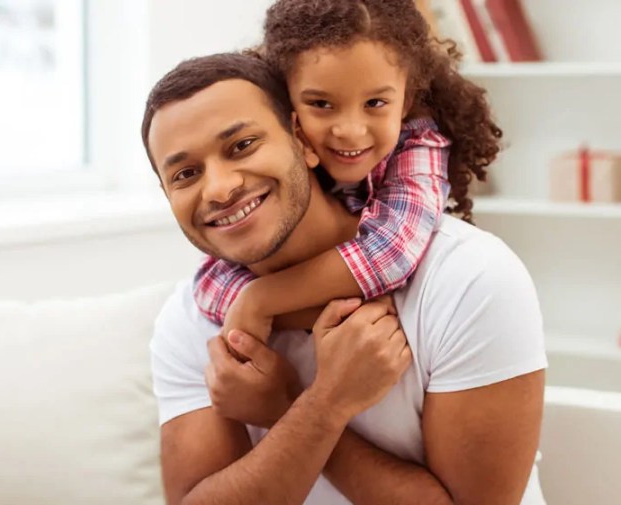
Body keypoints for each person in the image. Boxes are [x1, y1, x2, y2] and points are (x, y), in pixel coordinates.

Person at [142, 52, 547, 504]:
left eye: (242, 146)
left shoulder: (468, 278)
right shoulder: (191, 319)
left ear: (302, 140)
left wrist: (290, 406)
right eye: (185, 174)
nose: (218, 188)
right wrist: (321, 406)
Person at [192, 0, 502, 346]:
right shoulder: (273, 165)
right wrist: (303, 312)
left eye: (375, 104)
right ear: (284, 102)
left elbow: (391, 252)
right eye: (321, 104)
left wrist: (261, 300)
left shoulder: (418, 141)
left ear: (407, 99)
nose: (351, 131)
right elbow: (210, 283)